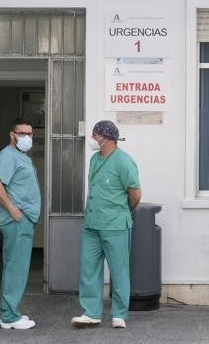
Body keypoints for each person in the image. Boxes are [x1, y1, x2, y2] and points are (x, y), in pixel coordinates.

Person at [71, 120, 141, 329]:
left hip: (116, 225)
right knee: (88, 269)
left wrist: (120, 212)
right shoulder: (94, 159)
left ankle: (119, 313)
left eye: (94, 135)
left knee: (118, 270)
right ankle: (91, 312)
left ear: (105, 137)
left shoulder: (124, 162)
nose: (92, 139)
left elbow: (135, 195)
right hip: (92, 225)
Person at [0, 118, 41, 330]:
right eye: (22, 133)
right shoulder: (8, 156)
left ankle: (11, 312)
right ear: (12, 135)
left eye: (30, 134)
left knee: (17, 267)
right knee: (15, 268)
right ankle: (9, 317)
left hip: (23, 220)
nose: (26, 138)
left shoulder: (21, 156)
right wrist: (12, 209)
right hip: (16, 220)